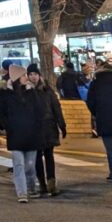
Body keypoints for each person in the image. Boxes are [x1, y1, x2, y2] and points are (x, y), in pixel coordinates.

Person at [0, 64, 41, 203]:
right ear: (16, 77)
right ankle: (21, 192)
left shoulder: (31, 92)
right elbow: (0, 111)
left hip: (31, 133)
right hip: (15, 133)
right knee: (19, 164)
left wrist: (37, 125)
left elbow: (38, 110)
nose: (26, 78)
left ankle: (31, 187)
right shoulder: (5, 93)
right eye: (23, 75)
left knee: (30, 165)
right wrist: (7, 125)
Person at [27, 63, 66, 197]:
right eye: (30, 74)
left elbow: (57, 108)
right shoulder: (26, 91)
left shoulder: (47, 91)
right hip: (34, 128)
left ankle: (51, 184)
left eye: (35, 74)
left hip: (48, 127)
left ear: (39, 76)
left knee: (49, 156)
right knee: (37, 157)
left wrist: (62, 125)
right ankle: (42, 184)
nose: (33, 77)